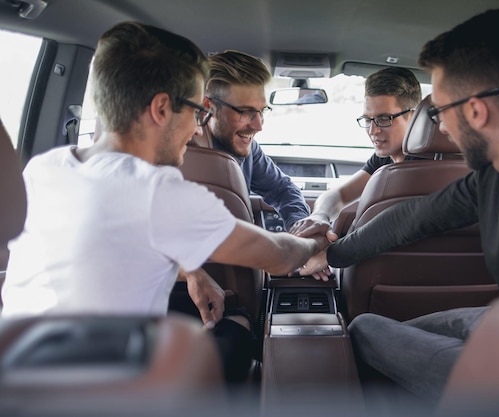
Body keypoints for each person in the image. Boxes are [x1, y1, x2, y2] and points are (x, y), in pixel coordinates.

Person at [300, 7, 499, 405]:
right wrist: (330, 253)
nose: (440, 128)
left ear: (476, 110)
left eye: (437, 113)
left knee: (364, 329)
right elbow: (413, 218)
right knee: (377, 327)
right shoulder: (497, 174)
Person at [2, 21, 328, 384]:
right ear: (161, 108)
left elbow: (109, 243)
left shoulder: (43, 167)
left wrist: (191, 270)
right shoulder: (157, 189)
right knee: (235, 325)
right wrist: (316, 241)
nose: (196, 126)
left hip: (18, 377)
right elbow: (279, 257)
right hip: (107, 390)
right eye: (195, 111)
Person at [290, 67, 423, 238]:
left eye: (384, 119)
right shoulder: (384, 159)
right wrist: (320, 216)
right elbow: (340, 194)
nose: (372, 131)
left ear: (413, 117)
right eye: (368, 120)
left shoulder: (426, 169)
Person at [202, 50, 310, 231]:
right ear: (209, 107)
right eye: (246, 112)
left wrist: (300, 226)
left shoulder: (249, 149)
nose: (259, 126)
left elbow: (282, 189)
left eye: (262, 111)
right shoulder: (180, 154)